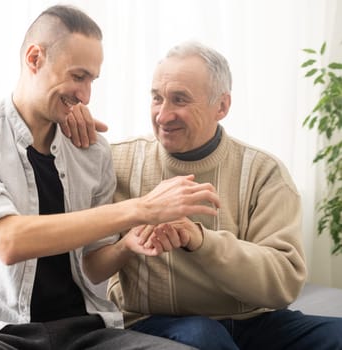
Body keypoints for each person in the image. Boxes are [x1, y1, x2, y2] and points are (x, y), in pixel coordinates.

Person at [0, 7, 219, 350]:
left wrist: (126, 245)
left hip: (79, 330)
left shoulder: (91, 152)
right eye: (78, 76)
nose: (86, 95)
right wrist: (142, 209)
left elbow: (91, 266)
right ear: (35, 58)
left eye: (92, 79)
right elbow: (8, 241)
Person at [101, 41, 342, 350]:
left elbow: (284, 280)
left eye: (179, 100)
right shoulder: (117, 162)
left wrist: (201, 241)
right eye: (157, 98)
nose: (163, 115)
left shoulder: (265, 173)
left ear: (222, 106)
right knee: (205, 337)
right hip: (153, 320)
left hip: (253, 321)